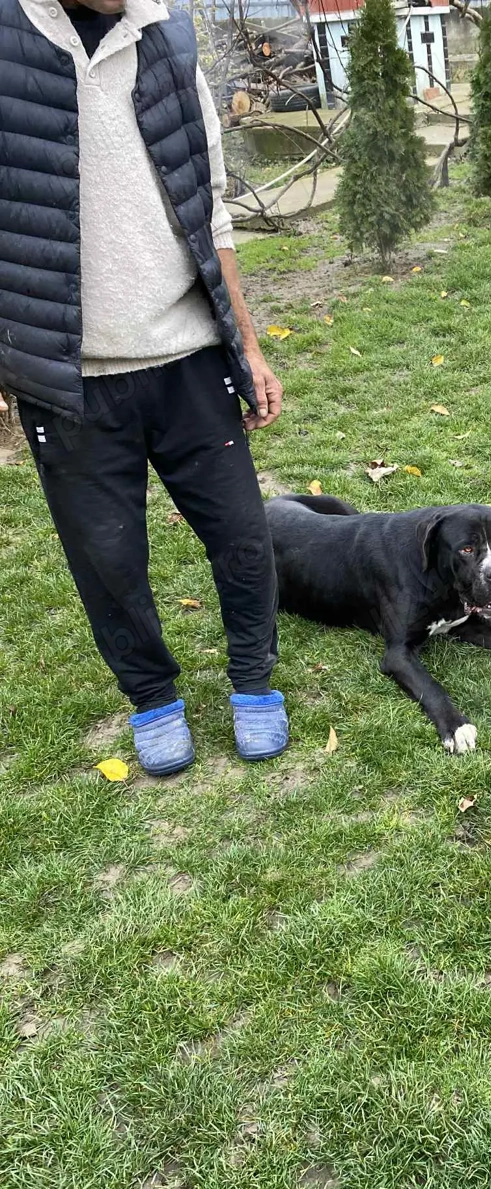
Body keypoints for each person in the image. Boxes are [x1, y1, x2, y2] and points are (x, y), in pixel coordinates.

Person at [0, 0, 289, 776]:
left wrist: (249, 346)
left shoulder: (168, 35)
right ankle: (154, 696)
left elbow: (213, 207)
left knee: (242, 536)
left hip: (189, 354)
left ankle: (254, 681)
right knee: (108, 560)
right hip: (72, 378)